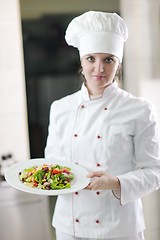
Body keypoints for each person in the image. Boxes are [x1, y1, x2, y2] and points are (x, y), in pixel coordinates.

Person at [45, 11, 160, 240]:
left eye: (108, 59)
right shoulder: (60, 108)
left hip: (118, 227)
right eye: (91, 59)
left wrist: (116, 182)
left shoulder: (139, 108)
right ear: (81, 61)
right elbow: (51, 163)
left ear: (118, 63)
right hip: (70, 226)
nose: (99, 69)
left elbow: (154, 172)